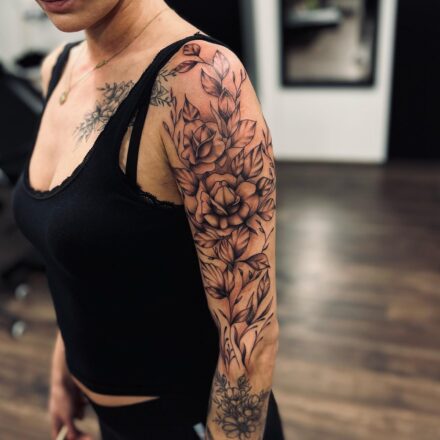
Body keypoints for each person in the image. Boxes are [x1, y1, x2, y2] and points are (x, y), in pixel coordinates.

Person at [12, 0, 283, 439]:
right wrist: (64, 376)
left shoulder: (201, 84)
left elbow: (250, 338)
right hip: (110, 420)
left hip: (188, 422)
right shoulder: (58, 69)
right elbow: (75, 267)